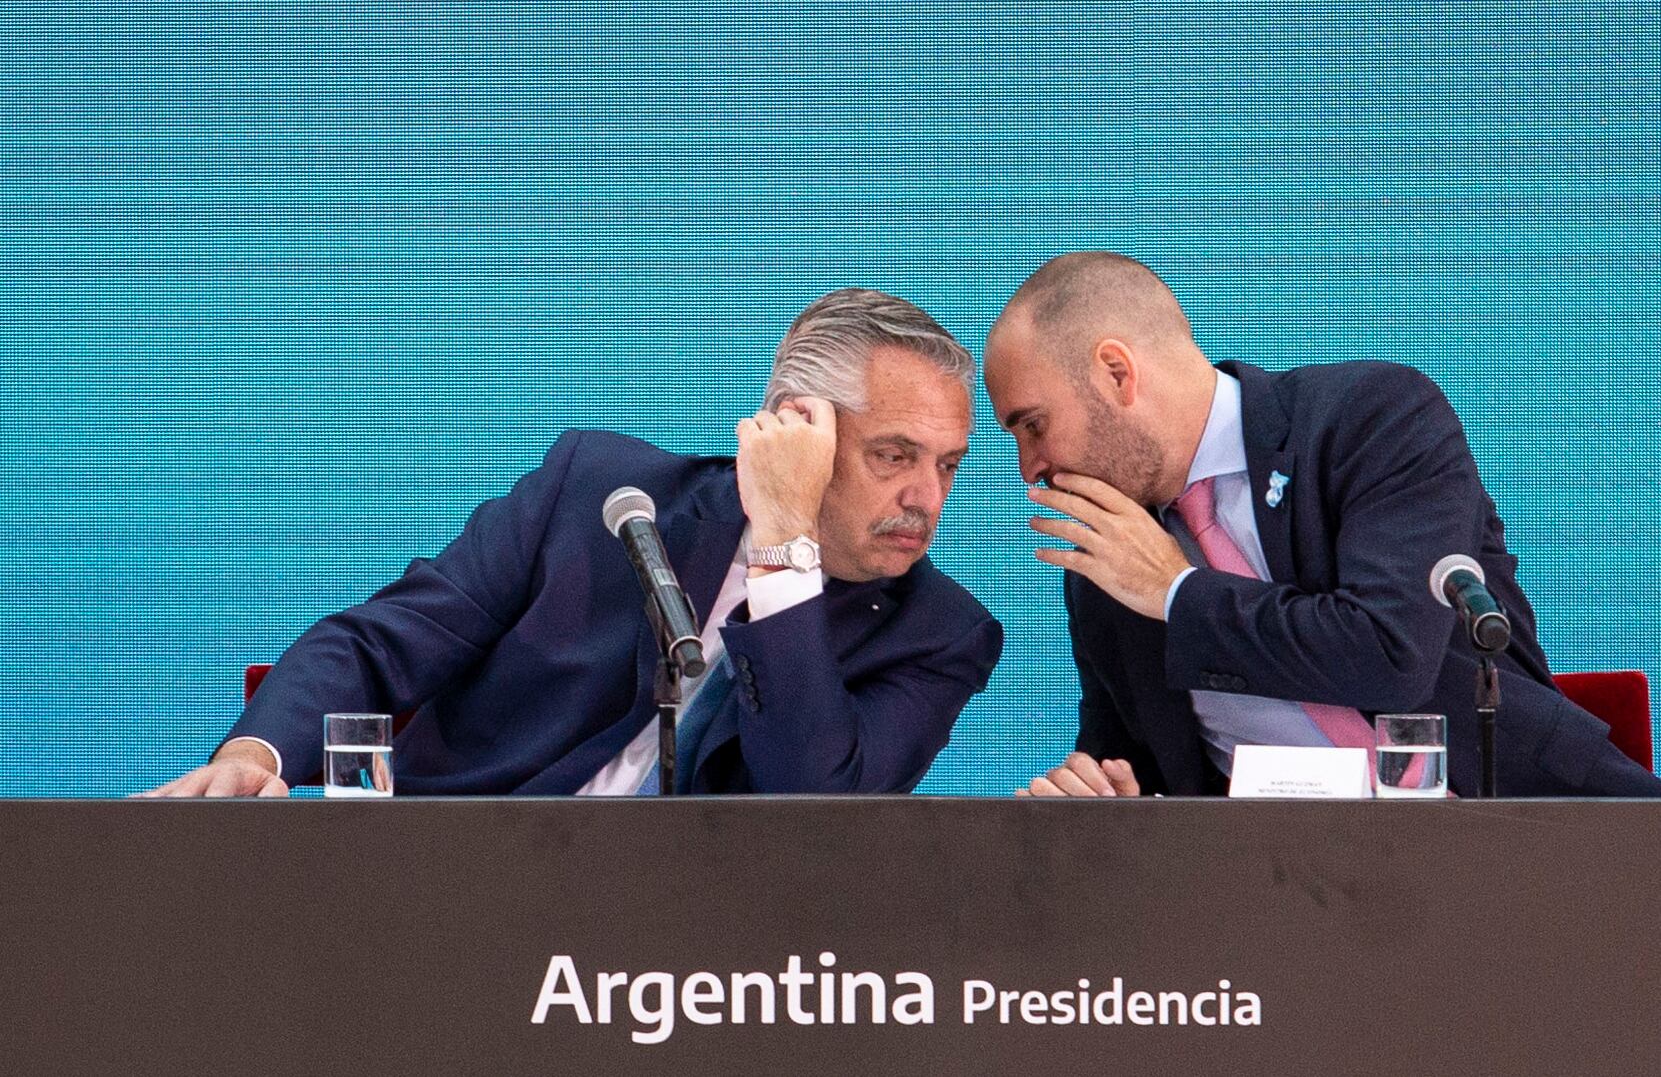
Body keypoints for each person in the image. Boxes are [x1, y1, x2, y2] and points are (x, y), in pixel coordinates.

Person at [145, 289, 1002, 797]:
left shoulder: (942, 634)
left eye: (948, 465)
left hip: (681, 971)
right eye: (893, 456)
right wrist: (253, 756)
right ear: (789, 428)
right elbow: (376, 646)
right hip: (450, 884)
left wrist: (783, 546)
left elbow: (810, 805)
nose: (924, 498)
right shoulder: (597, 491)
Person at [983, 251, 1661, 798]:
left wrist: (1177, 593)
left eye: (1032, 425)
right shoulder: (1106, 561)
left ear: (1115, 372)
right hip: (1281, 900)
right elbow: (1135, 759)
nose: (1029, 469)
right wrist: (1106, 793)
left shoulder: (1372, 417)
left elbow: (1390, 652)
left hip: (1525, 835)